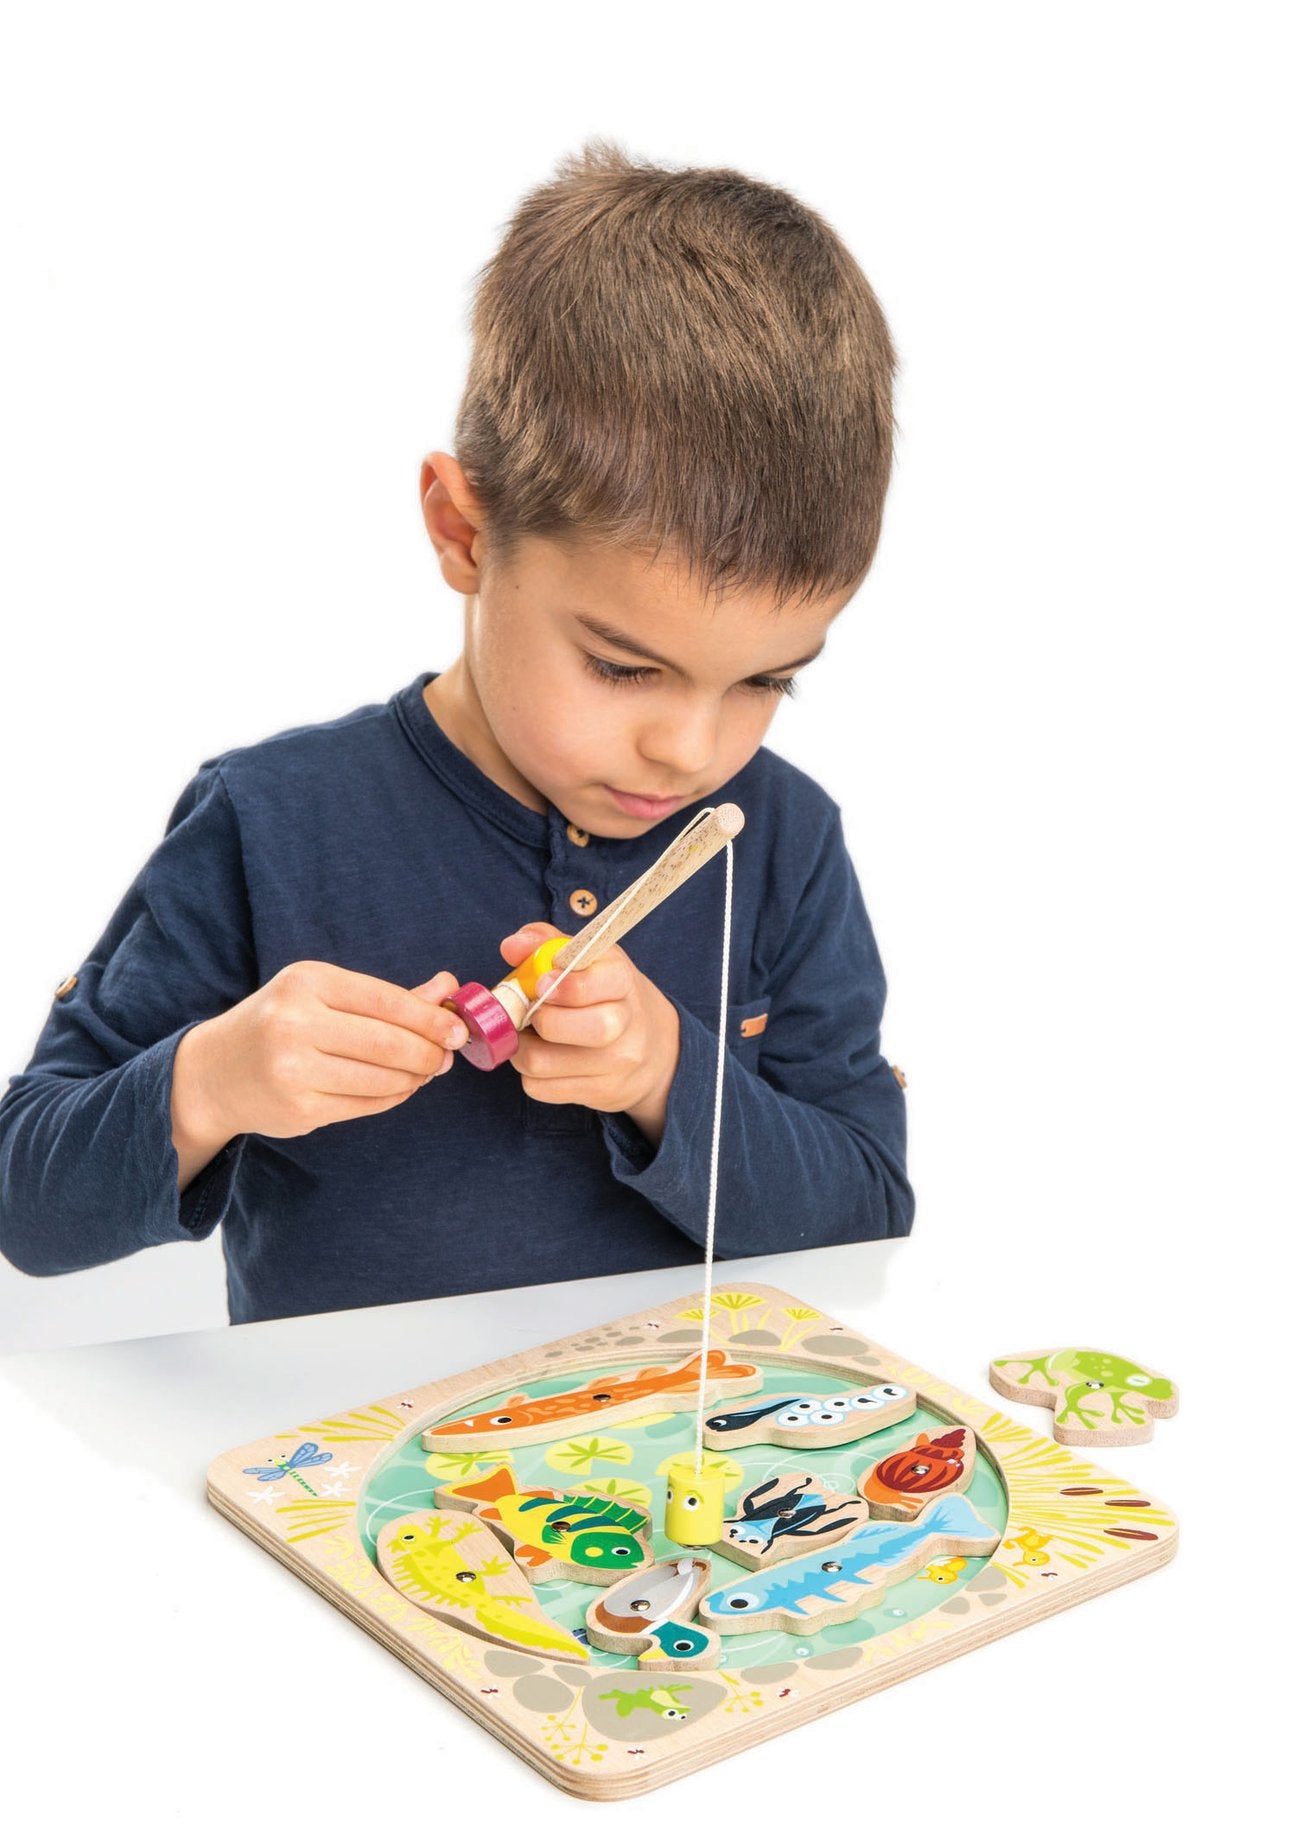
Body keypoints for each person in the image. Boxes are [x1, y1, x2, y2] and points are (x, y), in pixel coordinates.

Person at [0, 140, 914, 1326]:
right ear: (463, 531)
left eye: (768, 681)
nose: (692, 749)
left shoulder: (781, 840)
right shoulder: (274, 823)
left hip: (676, 1474)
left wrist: (666, 1079)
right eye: (622, 664)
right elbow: (27, 1204)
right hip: (350, 1493)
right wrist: (211, 1084)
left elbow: (868, 1212)